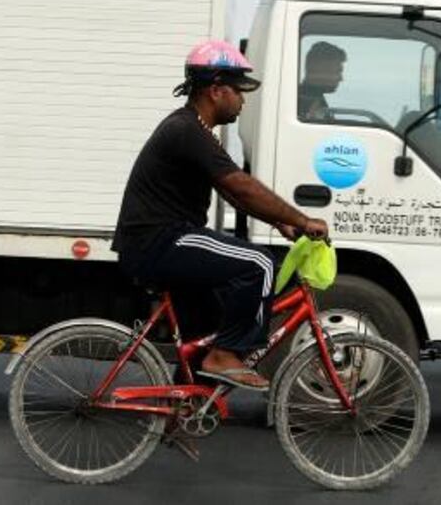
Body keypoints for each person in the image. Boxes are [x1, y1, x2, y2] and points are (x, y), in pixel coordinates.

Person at [112, 40, 328, 391]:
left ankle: (185, 405)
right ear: (215, 91)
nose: (243, 100)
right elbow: (240, 186)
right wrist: (303, 220)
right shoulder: (187, 132)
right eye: (238, 91)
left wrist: (278, 220)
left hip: (164, 241)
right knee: (259, 262)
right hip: (161, 241)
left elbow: (231, 192)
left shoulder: (196, 132)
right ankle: (225, 357)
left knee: (211, 327)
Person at [298, 41, 347, 120]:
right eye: (337, 72)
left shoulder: (313, 97)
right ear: (320, 70)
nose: (341, 79)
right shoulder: (304, 101)